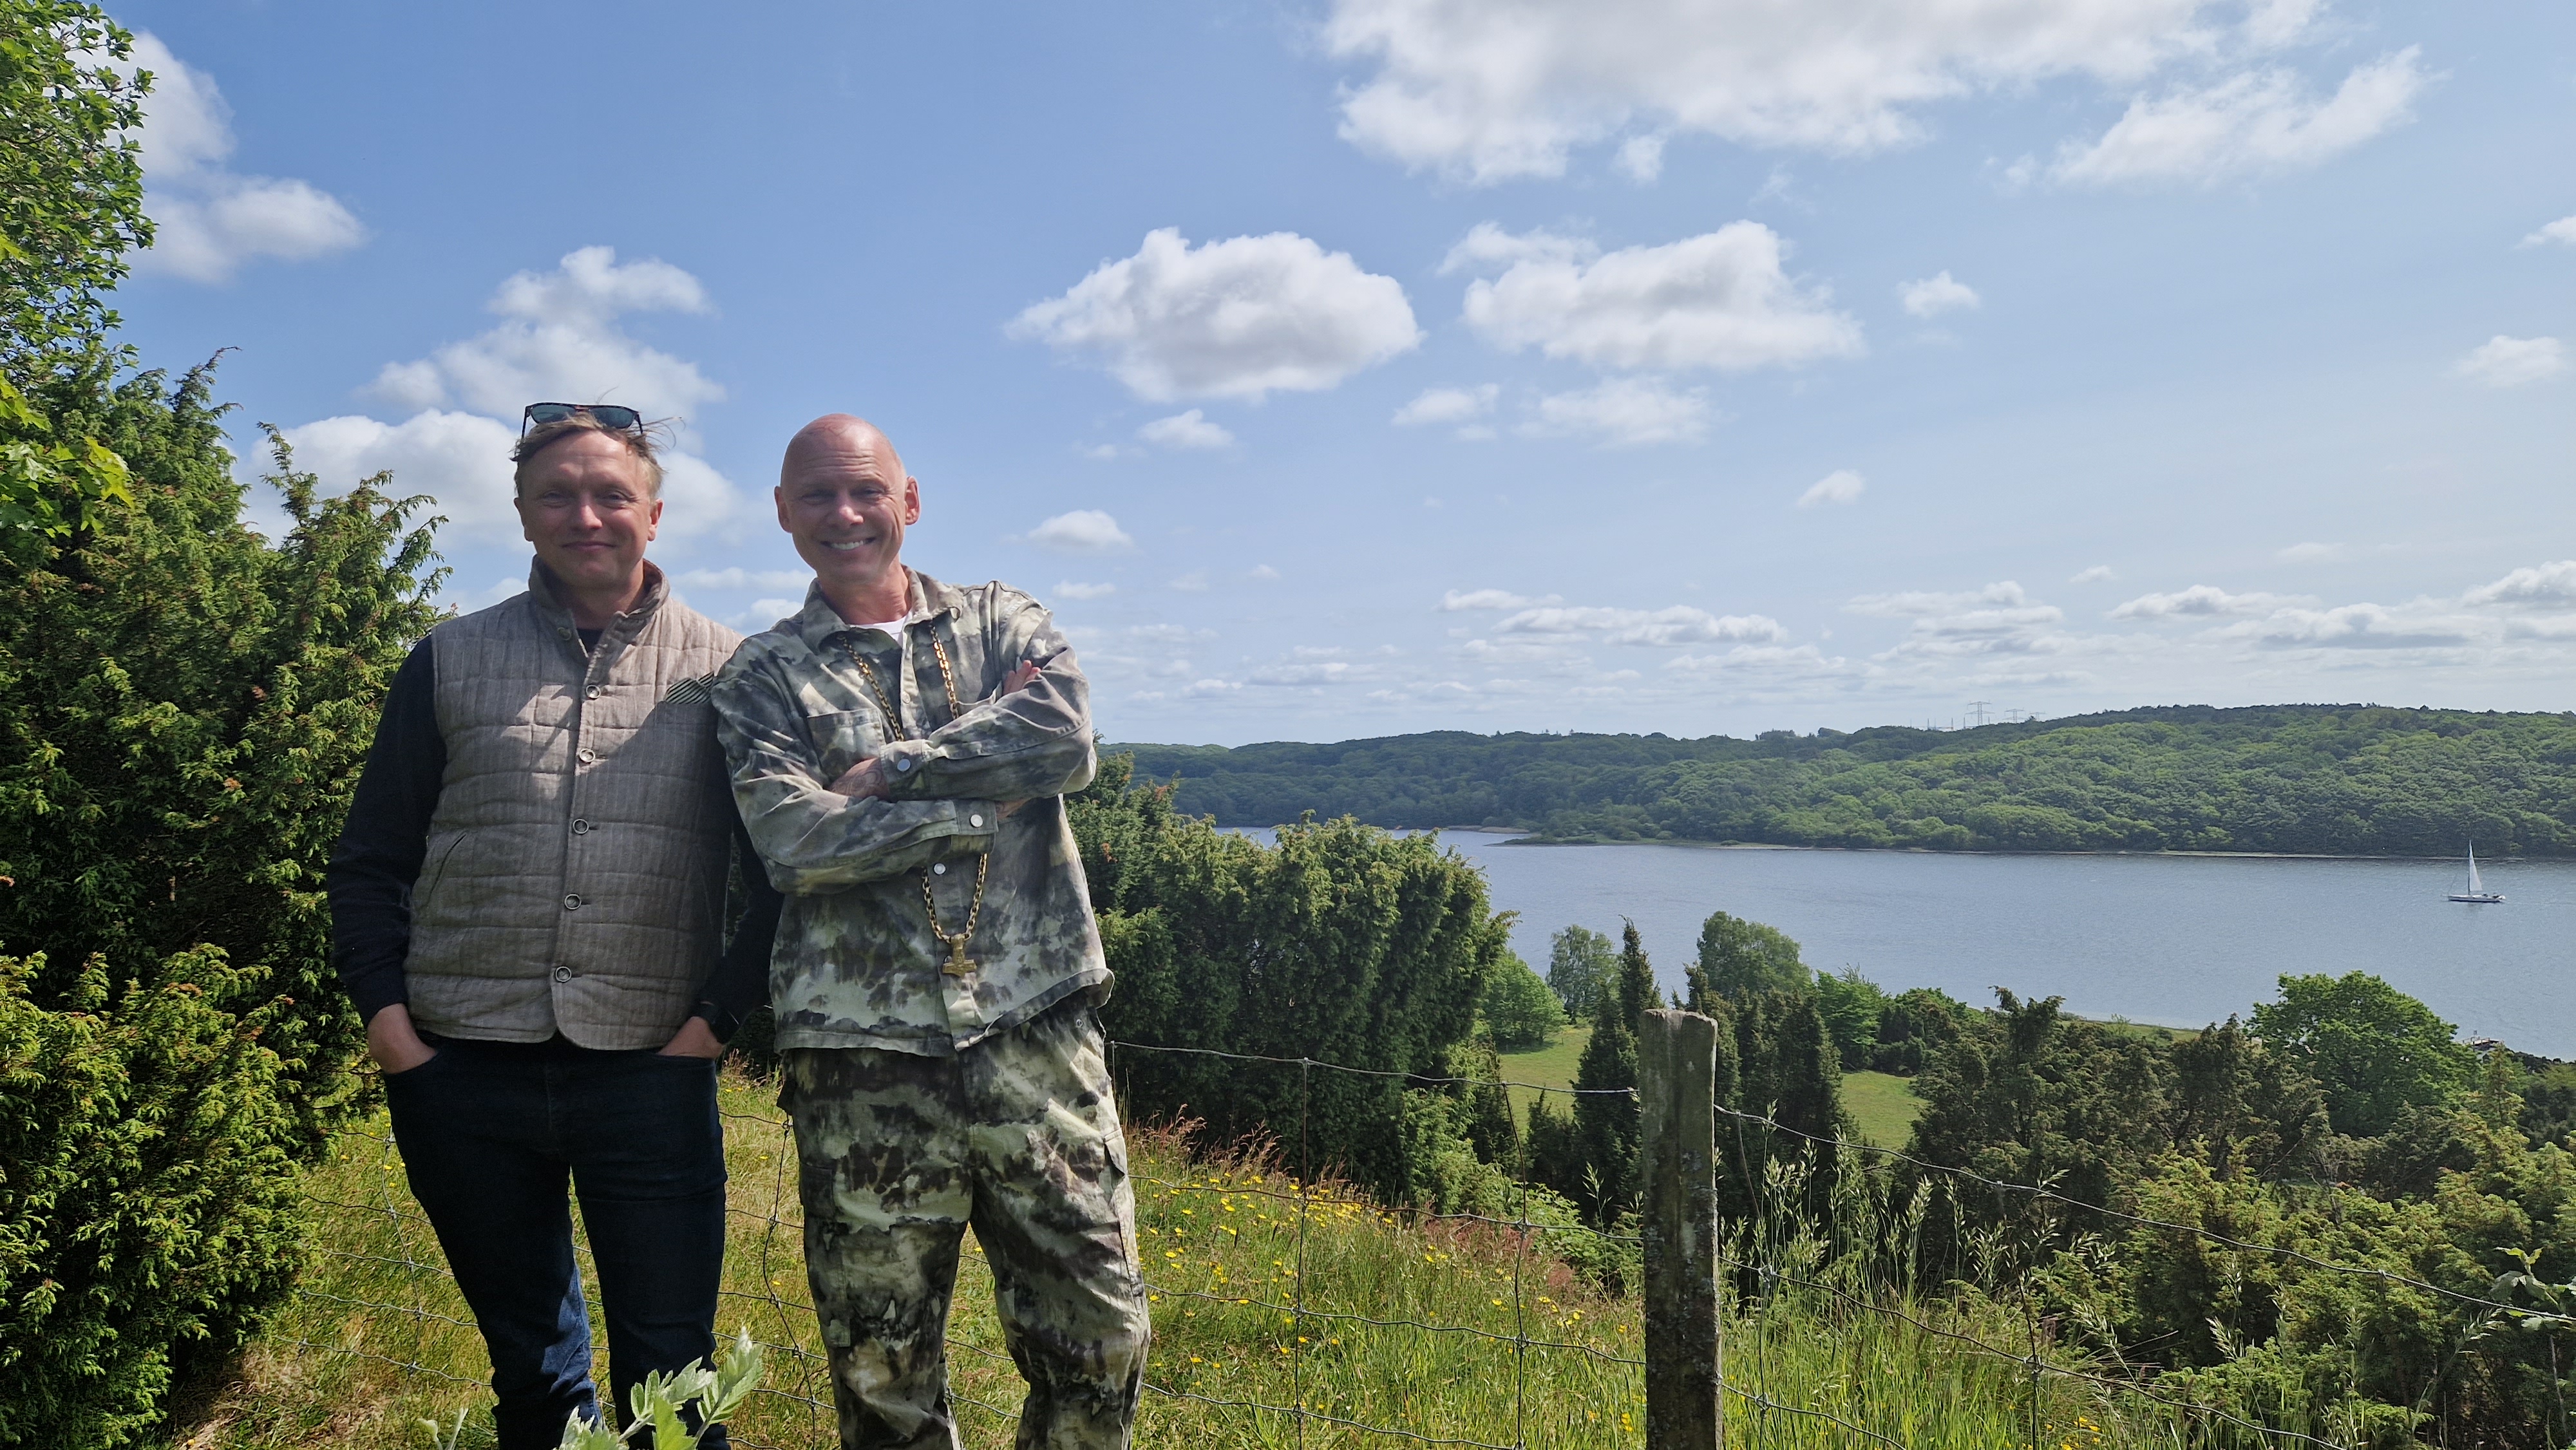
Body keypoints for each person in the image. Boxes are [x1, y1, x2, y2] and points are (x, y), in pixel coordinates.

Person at [328, 404, 781, 1450]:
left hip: (651, 1075)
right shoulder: (447, 659)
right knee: (532, 1378)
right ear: (524, 514)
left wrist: (711, 1027)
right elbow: (370, 862)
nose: (587, 516)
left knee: (674, 1384)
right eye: (558, 496)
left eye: (611, 494)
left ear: (653, 514)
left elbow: (781, 885)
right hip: (460, 1073)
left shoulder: (732, 672)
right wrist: (392, 1032)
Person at [712, 414, 1148, 1449]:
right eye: (817, 495)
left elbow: (1065, 737)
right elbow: (794, 842)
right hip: (863, 1063)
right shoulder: (762, 675)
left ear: (908, 500)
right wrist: (979, 801)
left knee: (1102, 1337)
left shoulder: (1000, 617)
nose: (845, 514)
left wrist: (891, 771)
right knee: (882, 1365)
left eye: (867, 490)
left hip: (1037, 1034)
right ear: (783, 514)